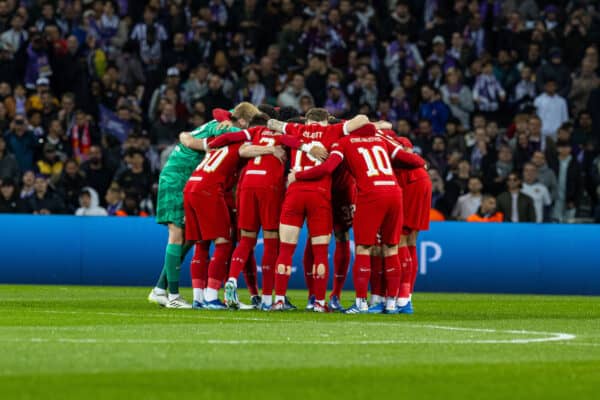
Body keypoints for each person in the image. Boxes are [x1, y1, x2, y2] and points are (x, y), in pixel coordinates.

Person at [289, 123, 425, 314]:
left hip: (370, 195)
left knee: (364, 248)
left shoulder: (343, 142)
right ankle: (393, 304)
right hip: (394, 193)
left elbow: (328, 167)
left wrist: (298, 175)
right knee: (391, 247)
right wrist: (421, 162)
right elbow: (410, 159)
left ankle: (361, 303)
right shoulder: (382, 141)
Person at [147, 102, 259, 309]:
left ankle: (160, 289)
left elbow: (191, 133)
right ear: (243, 121)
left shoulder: (221, 121)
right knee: (177, 234)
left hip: (187, 178)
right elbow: (189, 139)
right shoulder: (228, 128)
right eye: (251, 125)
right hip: (178, 178)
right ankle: (171, 295)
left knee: (191, 237)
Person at [205, 114, 320, 310]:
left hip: (248, 184)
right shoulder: (284, 135)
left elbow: (229, 139)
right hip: (270, 186)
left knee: (246, 240)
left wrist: (213, 144)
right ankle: (268, 300)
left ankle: (231, 280)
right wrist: (309, 147)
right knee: (271, 240)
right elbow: (291, 141)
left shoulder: (256, 131)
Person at [266, 110, 372, 312]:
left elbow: (272, 125)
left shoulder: (297, 129)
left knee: (286, 250)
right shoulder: (333, 131)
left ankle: (278, 299)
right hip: (320, 196)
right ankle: (320, 303)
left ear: (307, 120)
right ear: (325, 120)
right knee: (321, 252)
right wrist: (342, 123)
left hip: (294, 194)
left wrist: (304, 144)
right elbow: (363, 119)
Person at [182, 125, 283, 310]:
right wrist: (271, 149)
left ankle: (199, 297)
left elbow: (188, 139)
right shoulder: (241, 144)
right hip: (208, 191)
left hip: (190, 187)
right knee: (224, 243)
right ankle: (211, 297)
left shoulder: (218, 146)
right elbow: (246, 150)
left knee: (201, 244)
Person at [552, 140, 583, 222]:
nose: (565, 149)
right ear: (558, 149)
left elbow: (579, 185)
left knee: (568, 225)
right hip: (555, 200)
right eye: (562, 147)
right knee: (555, 224)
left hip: (570, 200)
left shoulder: (575, 164)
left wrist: (575, 201)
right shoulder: (553, 162)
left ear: (570, 149)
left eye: (567, 147)